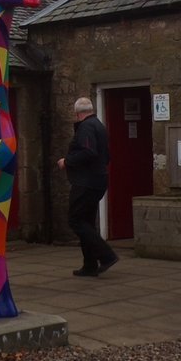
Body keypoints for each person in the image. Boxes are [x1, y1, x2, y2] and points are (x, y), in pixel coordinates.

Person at [56, 97, 117, 277]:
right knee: (87, 221)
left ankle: (106, 255)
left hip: (86, 182)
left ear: (77, 113)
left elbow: (89, 151)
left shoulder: (86, 127)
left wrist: (67, 161)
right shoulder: (99, 125)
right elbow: (105, 156)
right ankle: (89, 265)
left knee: (75, 220)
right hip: (97, 179)